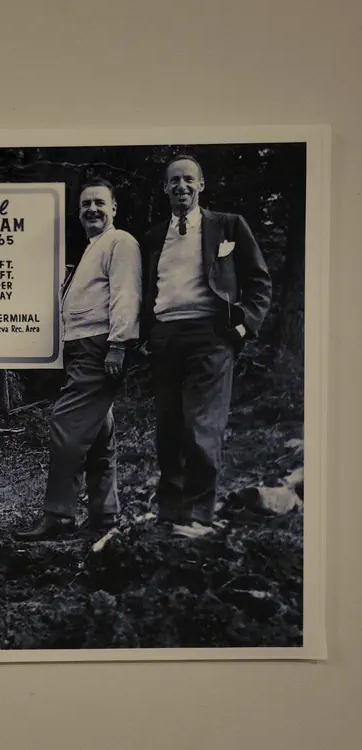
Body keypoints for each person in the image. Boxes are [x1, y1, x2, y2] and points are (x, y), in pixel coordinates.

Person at [140, 155, 272, 536]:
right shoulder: (152, 237)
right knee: (168, 427)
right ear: (165, 188)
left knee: (201, 425)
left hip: (210, 336)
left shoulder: (228, 226)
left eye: (188, 180)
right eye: (174, 181)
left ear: (201, 185)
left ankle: (199, 516)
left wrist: (245, 325)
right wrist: (148, 335)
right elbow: (148, 289)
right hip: (165, 337)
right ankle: (170, 513)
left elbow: (259, 280)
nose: (181, 186)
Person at [15, 177, 142, 540]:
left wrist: (118, 344)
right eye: (85, 204)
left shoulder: (121, 242)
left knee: (66, 426)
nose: (92, 210)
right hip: (81, 346)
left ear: (114, 208)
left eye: (100, 203)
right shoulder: (93, 247)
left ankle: (59, 514)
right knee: (99, 432)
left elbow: (126, 294)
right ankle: (105, 514)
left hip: (99, 346)